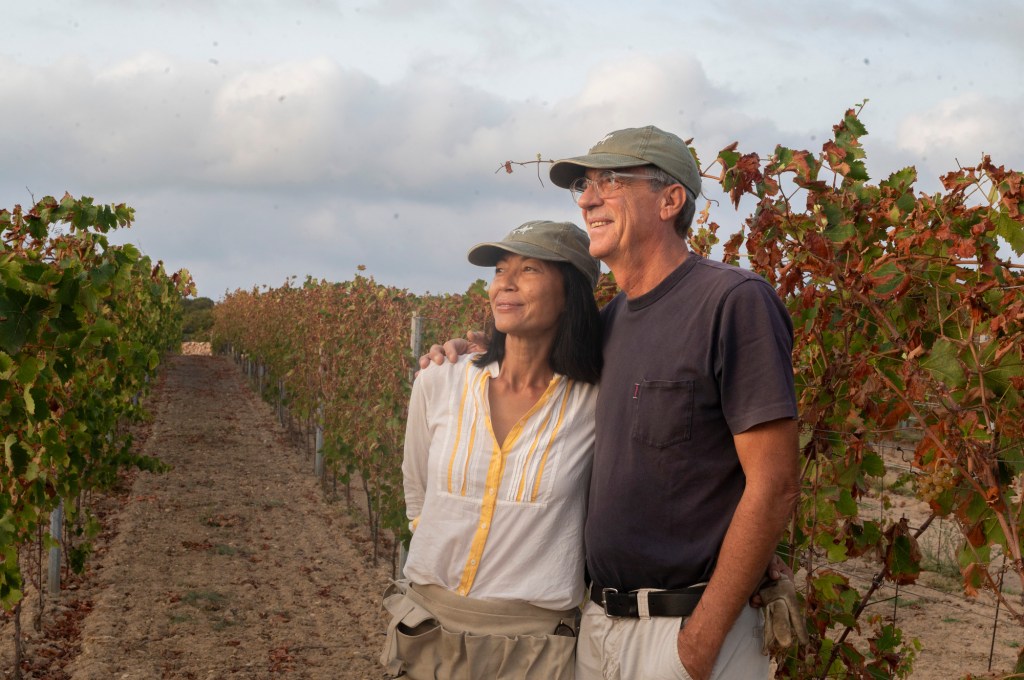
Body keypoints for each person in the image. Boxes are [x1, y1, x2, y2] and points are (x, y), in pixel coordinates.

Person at [426, 126, 801, 680]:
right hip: (599, 628)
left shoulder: (731, 303)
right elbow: (528, 363)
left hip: (685, 632)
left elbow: (775, 484)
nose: (586, 197)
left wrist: (701, 639)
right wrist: (469, 351)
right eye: (583, 183)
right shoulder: (608, 326)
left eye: (610, 181)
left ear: (670, 200)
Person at [380, 220, 603, 680]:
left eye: (529, 270)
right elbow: (417, 493)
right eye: (500, 269)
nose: (505, 282)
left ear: (571, 293)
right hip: (427, 632)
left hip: (533, 650)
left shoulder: (596, 402)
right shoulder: (440, 380)